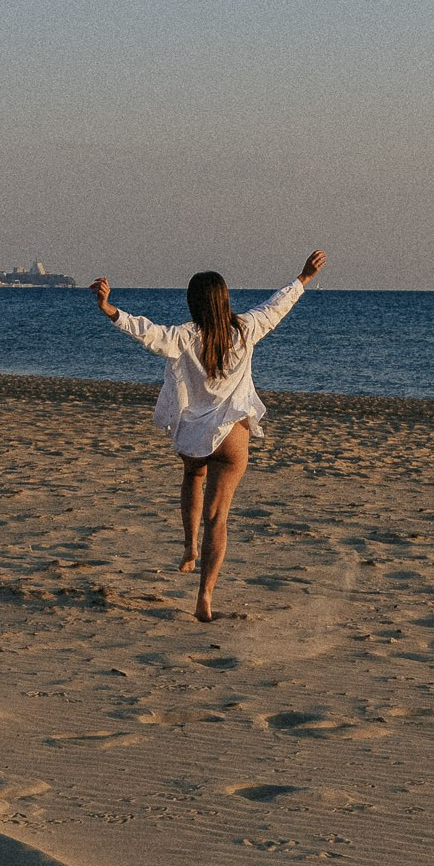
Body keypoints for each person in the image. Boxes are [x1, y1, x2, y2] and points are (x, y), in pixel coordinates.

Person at [90, 251, 325, 622]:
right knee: (219, 517)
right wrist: (304, 278)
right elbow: (275, 307)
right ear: (225, 300)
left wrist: (109, 309)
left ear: (193, 302)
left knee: (192, 476)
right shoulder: (246, 329)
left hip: (193, 435)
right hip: (232, 434)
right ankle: (205, 596)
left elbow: (149, 333)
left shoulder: (184, 336)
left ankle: (189, 546)